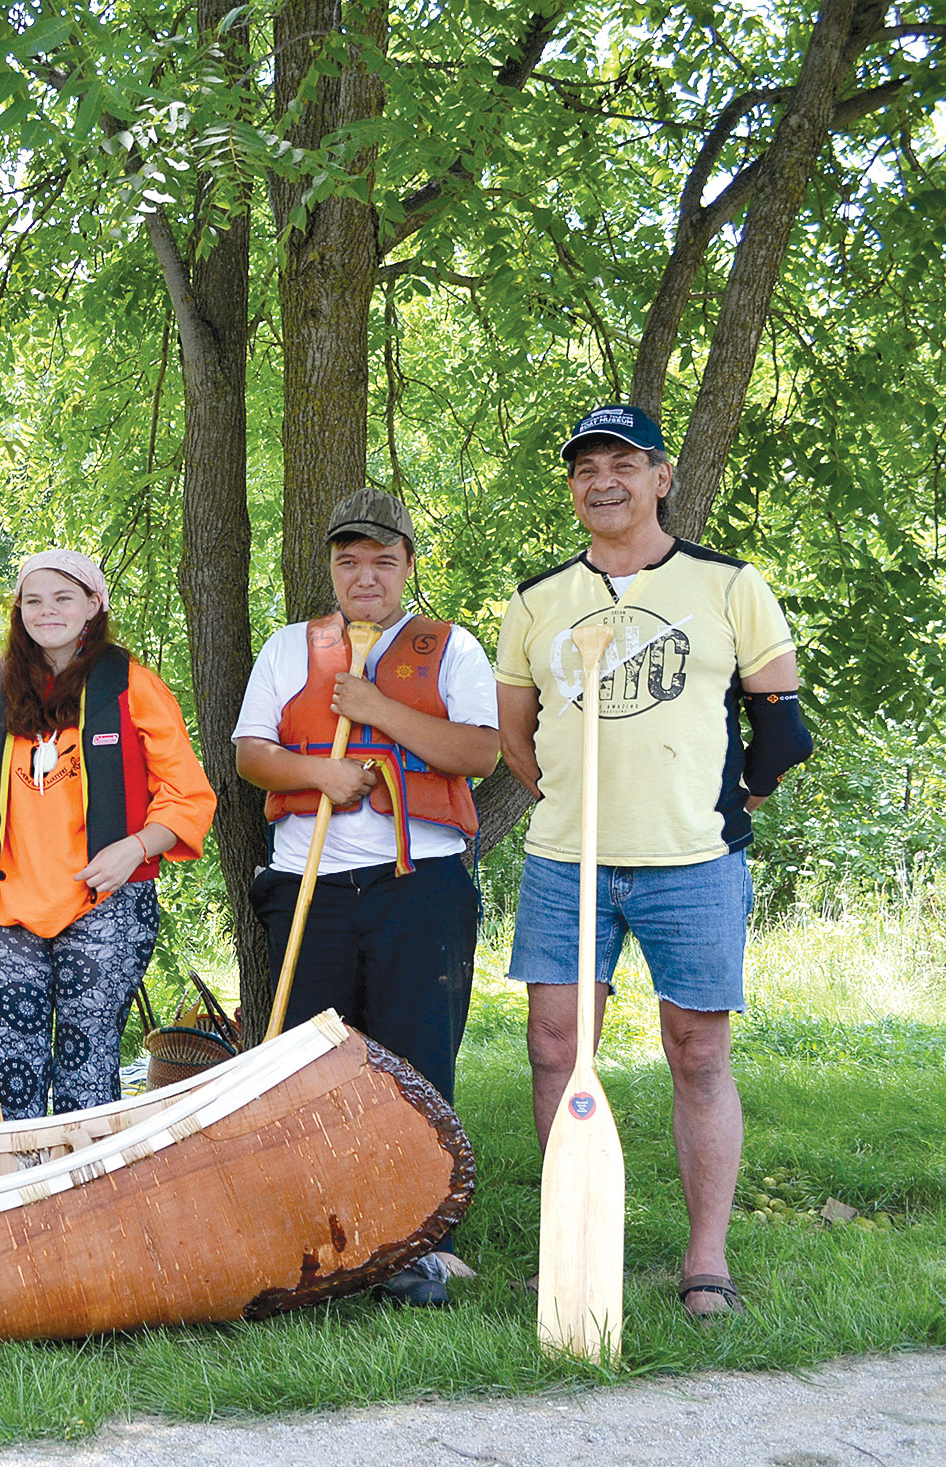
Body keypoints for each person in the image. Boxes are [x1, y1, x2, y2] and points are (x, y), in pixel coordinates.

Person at [498, 404, 812, 1320]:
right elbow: (519, 739)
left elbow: (783, 727)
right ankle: (576, 1239)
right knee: (555, 1049)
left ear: (662, 476)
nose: (604, 479)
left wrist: (733, 799)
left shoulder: (728, 584)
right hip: (567, 863)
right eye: (586, 466)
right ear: (572, 486)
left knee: (699, 1053)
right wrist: (575, 794)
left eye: (624, 463)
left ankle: (704, 1263)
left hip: (694, 865)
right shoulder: (538, 599)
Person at [232, 488, 502, 1306]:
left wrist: (377, 707)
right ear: (331, 569)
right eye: (349, 561)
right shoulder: (290, 647)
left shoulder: (452, 649)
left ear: (408, 566)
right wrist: (321, 772)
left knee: (415, 1063)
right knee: (310, 1067)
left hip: (418, 886)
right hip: (310, 886)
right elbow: (251, 753)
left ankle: (422, 1242)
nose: (365, 575)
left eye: (383, 560)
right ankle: (310, 1239)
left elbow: (482, 753)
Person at [0, 550, 217, 1122]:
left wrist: (134, 847)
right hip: (8, 907)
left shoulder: (130, 684)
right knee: (11, 1072)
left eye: (63, 598)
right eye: (33, 600)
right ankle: (18, 1198)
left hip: (104, 904)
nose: (47, 611)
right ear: (18, 610)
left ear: (92, 605)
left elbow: (189, 795)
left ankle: (83, 1196)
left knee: (86, 1066)